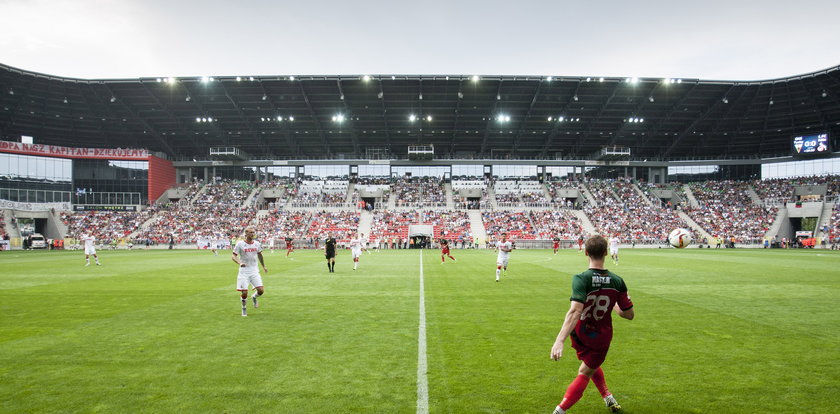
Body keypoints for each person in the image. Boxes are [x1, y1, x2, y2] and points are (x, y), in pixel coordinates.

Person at [549, 235, 634, 414]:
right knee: (585, 371)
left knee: (588, 366)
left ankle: (607, 397)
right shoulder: (617, 281)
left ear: (586, 252)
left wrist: (560, 340)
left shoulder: (581, 278)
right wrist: (621, 304)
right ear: (606, 252)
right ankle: (560, 411)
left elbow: (575, 311)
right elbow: (628, 315)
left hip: (580, 332)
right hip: (601, 337)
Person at [232, 227, 268, 317]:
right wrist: (240, 263)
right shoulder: (240, 244)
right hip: (244, 271)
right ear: (246, 233)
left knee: (261, 290)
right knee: (244, 293)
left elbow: (260, 255)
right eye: (251, 232)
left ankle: (254, 297)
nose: (253, 234)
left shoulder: (257, 244)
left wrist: (264, 266)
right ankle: (244, 309)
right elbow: (233, 256)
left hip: (254, 270)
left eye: (253, 232)